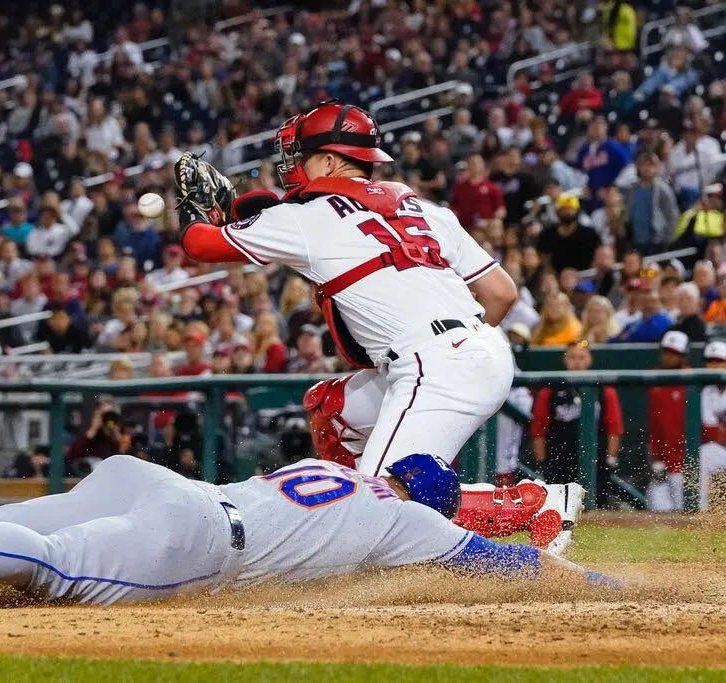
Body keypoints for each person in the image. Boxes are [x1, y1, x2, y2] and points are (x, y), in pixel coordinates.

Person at [175, 102, 584, 551]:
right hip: (472, 347)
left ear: (329, 160)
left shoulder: (304, 216)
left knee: (376, 511)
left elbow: (199, 245)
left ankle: (533, 501)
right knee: (332, 408)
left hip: (433, 364)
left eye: (300, 156)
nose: (291, 167)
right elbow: (502, 294)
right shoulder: (424, 209)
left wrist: (197, 212)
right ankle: (353, 530)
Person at [0, 454, 618, 605]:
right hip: (197, 542)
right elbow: (506, 566)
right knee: (51, 569)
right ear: (427, 498)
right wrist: (608, 585)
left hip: (161, 484)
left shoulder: (336, 474)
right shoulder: (407, 521)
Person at [530, 341, 624, 508]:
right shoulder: (551, 389)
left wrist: (611, 459)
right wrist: (543, 462)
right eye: (572, 357)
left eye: (582, 357)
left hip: (595, 458)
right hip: (559, 459)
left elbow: (614, 428)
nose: (577, 362)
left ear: (590, 360)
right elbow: (539, 430)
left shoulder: (603, 389)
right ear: (565, 360)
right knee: (559, 508)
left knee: (595, 507)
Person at [647, 330, 689, 512]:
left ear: (683, 356)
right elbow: (655, 422)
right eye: (666, 352)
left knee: (686, 512)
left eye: (674, 354)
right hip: (664, 458)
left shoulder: (692, 377)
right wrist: (656, 456)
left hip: (688, 458)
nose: (668, 357)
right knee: (656, 506)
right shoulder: (655, 378)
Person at [700, 341, 726, 444]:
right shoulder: (706, 392)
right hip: (715, 448)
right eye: (710, 361)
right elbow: (710, 432)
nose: (713, 365)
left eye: (719, 361)